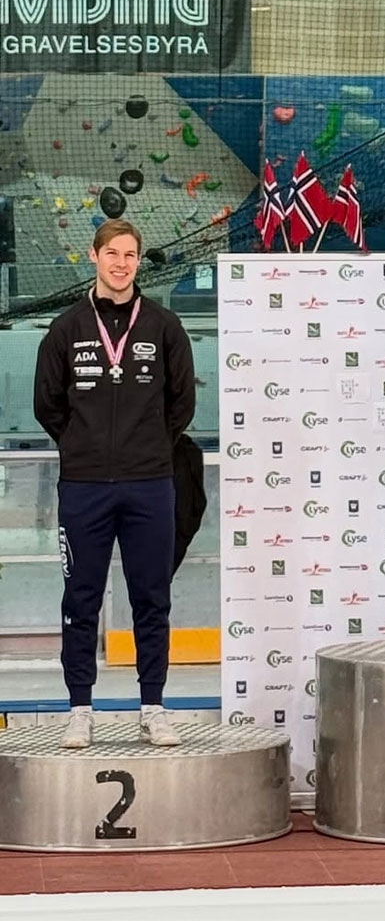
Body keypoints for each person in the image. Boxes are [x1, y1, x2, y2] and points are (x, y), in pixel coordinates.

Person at [33, 219, 195, 748]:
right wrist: (83, 447)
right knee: (80, 599)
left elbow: (182, 403)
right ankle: (80, 709)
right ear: (94, 257)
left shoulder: (165, 326)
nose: (121, 264)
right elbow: (46, 405)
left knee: (152, 598)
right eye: (112, 254)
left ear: (137, 262)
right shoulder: (66, 328)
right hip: (85, 487)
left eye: (129, 255)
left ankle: (154, 707)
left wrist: (148, 447)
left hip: (149, 484)